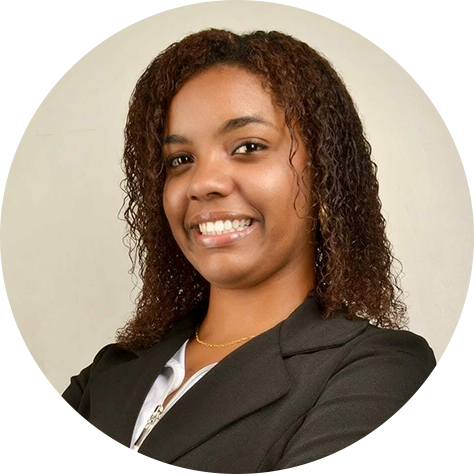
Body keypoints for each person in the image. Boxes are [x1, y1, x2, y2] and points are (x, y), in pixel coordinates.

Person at [62, 28, 437, 474]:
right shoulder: (109, 374)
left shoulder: (378, 372)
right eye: (180, 159)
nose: (202, 183)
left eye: (248, 148)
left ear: (323, 174)